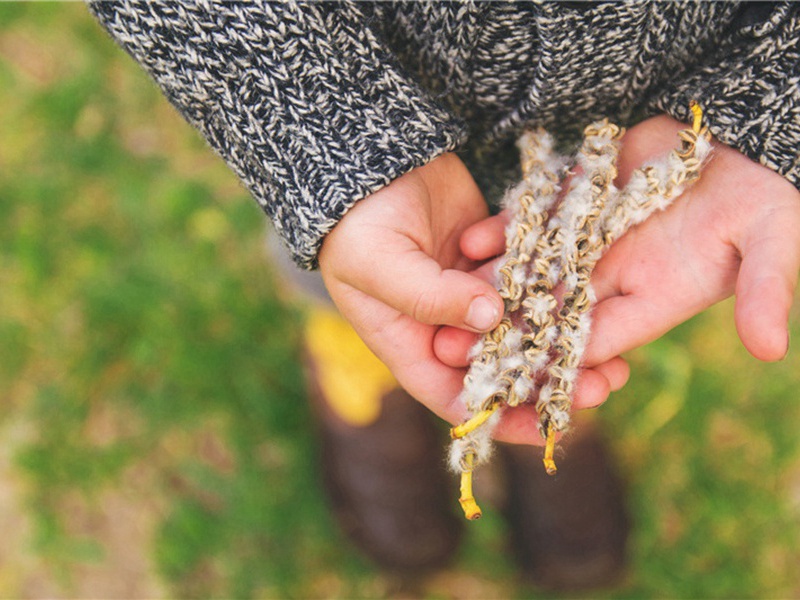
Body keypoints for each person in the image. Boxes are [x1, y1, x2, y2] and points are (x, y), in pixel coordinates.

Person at [87, 0, 800, 589]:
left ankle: (548, 404)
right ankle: (356, 373)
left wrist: (775, 104)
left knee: (599, 291)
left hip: (667, 93)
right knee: (350, 272)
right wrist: (324, 138)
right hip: (355, 69)